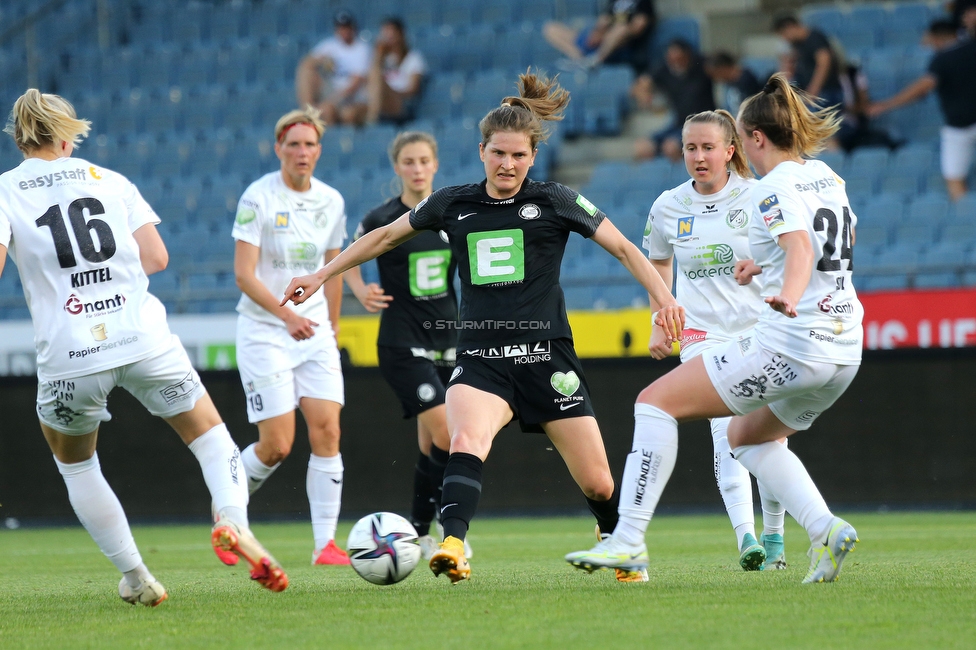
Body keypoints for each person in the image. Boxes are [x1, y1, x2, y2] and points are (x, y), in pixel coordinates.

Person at [281, 71, 685, 585]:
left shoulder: (556, 200)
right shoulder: (453, 202)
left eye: (518, 155)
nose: (508, 164)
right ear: (481, 151)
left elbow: (627, 248)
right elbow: (384, 236)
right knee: (465, 438)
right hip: (480, 356)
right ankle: (452, 544)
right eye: (498, 153)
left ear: (532, 157)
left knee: (601, 484)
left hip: (547, 357)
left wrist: (664, 299)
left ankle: (617, 543)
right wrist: (321, 274)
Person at [566, 73, 863, 584]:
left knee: (654, 403)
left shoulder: (770, 189)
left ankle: (628, 540)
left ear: (750, 140)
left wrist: (787, 294)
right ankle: (824, 529)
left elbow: (801, 249)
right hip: (845, 349)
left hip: (791, 342)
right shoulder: (825, 177)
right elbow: (829, 243)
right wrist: (759, 269)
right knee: (747, 438)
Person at [0, 90, 288, 605]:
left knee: (77, 465)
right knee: (212, 438)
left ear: (20, 139)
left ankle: (137, 578)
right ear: (67, 137)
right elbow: (156, 257)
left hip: (71, 352)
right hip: (144, 338)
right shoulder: (110, 181)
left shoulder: (5, 191)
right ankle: (233, 522)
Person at [642, 109, 788, 571]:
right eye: (690, 148)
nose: (699, 156)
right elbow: (658, 265)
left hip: (760, 331)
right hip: (703, 334)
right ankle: (747, 537)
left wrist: (764, 273)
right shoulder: (667, 206)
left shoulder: (759, 198)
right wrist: (659, 321)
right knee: (723, 430)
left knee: (769, 437)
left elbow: (792, 251)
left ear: (730, 150)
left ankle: (776, 537)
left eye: (708, 147)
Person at [230, 107, 350, 567]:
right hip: (265, 330)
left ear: (320, 150)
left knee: (329, 431)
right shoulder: (258, 197)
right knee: (277, 444)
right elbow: (244, 275)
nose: (302, 152)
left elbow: (332, 270)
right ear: (278, 147)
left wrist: (332, 327)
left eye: (310, 144)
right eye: (294, 144)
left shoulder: (332, 201)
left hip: (314, 331)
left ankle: (325, 547)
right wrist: (285, 317)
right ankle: (228, 513)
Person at [344, 131, 469, 559]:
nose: (417, 169)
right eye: (409, 162)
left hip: (449, 342)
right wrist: (359, 290)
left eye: (424, 161)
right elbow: (352, 255)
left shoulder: (452, 213)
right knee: (449, 435)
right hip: (402, 342)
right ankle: (451, 531)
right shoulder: (381, 217)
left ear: (435, 165)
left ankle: (416, 532)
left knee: (431, 445)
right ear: (397, 168)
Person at [868, 19, 976, 201]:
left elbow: (922, 88)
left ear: (936, 37)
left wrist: (886, 105)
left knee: (954, 178)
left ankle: (965, 216)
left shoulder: (943, 59)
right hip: (960, 125)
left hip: (959, 126)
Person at [632, 39, 715, 162]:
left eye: (678, 58)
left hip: (702, 124)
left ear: (687, 56)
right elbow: (640, 85)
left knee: (671, 147)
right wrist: (645, 97)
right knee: (642, 148)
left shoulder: (702, 66)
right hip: (678, 123)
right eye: (671, 58)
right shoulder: (665, 69)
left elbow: (723, 68)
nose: (674, 62)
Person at [295, 10, 370, 126]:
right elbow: (305, 63)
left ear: (353, 28)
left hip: (349, 97)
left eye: (347, 27)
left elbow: (356, 82)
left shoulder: (361, 49)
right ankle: (308, 111)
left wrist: (332, 101)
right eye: (341, 27)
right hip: (329, 89)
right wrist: (322, 61)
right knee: (305, 72)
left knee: (332, 111)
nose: (344, 30)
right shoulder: (329, 45)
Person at [543, 0, 656, 73]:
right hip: (600, 39)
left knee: (621, 28)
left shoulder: (643, 2)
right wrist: (597, 33)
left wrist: (609, 33)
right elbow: (604, 19)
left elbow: (638, 27)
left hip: (622, 47)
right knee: (550, 28)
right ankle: (579, 59)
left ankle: (595, 61)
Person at [365, 18, 427, 125]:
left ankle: (372, 120)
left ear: (400, 34)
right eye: (385, 35)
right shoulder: (383, 60)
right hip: (379, 102)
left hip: (402, 103)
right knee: (349, 113)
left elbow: (413, 89)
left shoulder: (413, 58)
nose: (388, 38)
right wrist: (379, 55)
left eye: (391, 34)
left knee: (377, 77)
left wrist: (392, 93)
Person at [773, 14, 843, 108]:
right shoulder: (797, 44)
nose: (784, 38)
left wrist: (814, 90)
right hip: (812, 93)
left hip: (826, 92)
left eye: (783, 34)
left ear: (790, 27)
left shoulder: (815, 38)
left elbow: (824, 63)